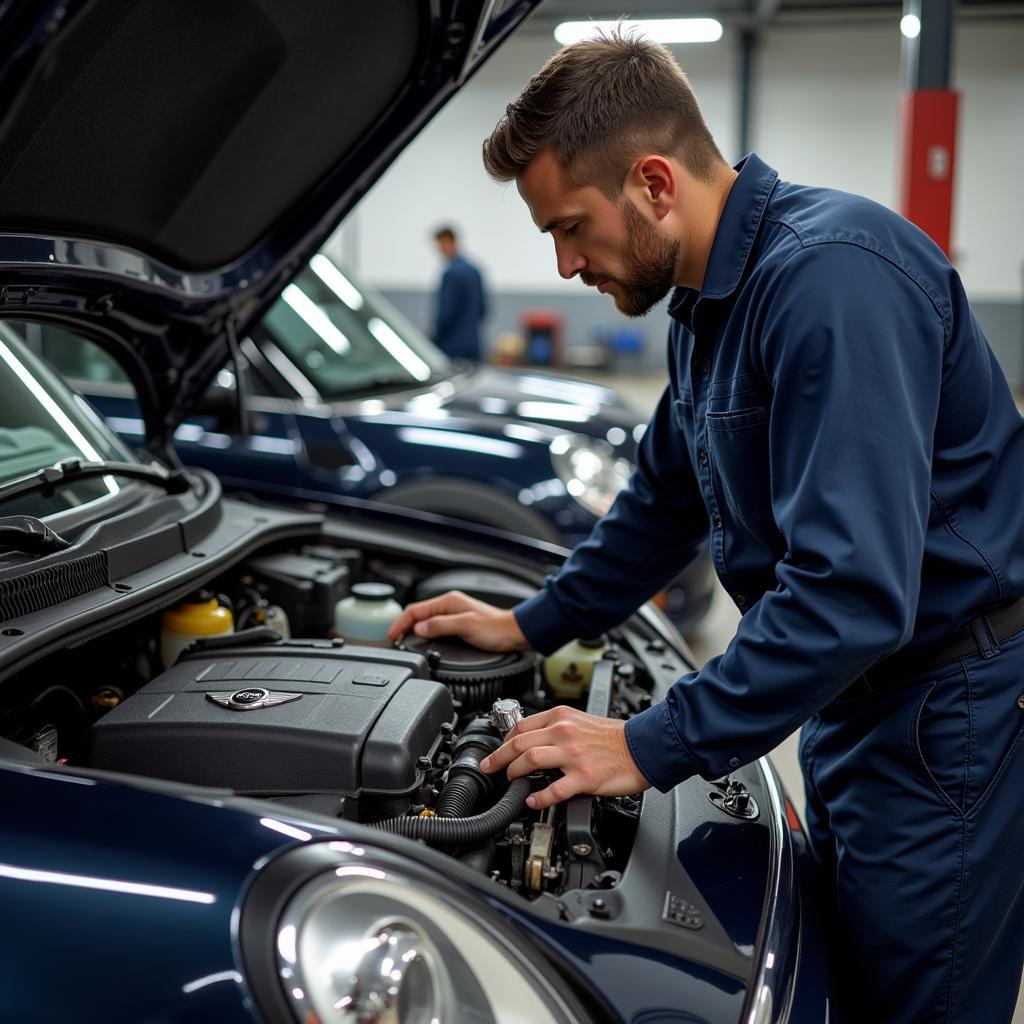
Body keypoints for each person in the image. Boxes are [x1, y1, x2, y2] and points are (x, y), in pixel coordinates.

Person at [389, 31, 1024, 1023]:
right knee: (847, 983)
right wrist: (529, 625)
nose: (562, 265)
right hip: (856, 707)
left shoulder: (828, 283)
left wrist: (646, 742)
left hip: (944, 719)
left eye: (569, 227)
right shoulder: (705, 310)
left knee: (911, 1003)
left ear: (650, 182)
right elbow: (661, 503)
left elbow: (852, 592)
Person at [431, 225, 487, 360]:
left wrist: (435, 338)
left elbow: (446, 313)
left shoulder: (451, 274)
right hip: (474, 345)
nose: (439, 250)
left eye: (440, 245)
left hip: (452, 346)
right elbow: (483, 310)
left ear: (447, 242)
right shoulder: (475, 271)